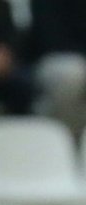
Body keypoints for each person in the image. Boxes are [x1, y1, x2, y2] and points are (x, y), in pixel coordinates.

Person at [28, 0, 86, 134]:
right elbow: (53, 40)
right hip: (52, 60)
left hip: (77, 58)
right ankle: (67, 137)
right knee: (72, 73)